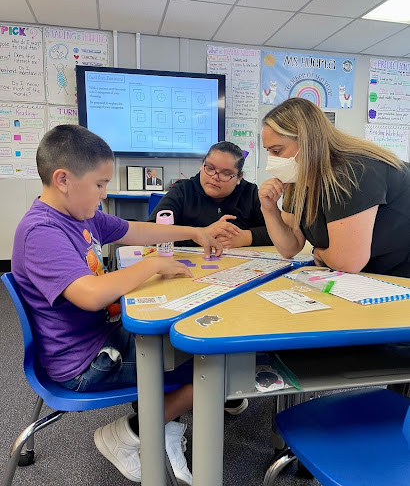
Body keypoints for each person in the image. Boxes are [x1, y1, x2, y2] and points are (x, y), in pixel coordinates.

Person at [12, 125, 223, 485]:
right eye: (99, 184)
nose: (104, 193)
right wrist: (152, 264)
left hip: (99, 338)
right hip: (84, 363)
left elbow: (135, 230)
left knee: (184, 336)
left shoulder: (81, 215)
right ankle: (129, 434)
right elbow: (91, 293)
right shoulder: (43, 232)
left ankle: (164, 424)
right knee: (214, 370)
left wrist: (193, 232)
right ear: (63, 179)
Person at [258, 97, 410, 278]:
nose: (272, 160)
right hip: (371, 276)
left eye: (276, 151)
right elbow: (290, 247)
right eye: (268, 151)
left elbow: (347, 262)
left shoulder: (352, 172)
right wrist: (269, 209)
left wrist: (320, 253)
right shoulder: (298, 179)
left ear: (308, 143)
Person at [148, 141, 274, 248]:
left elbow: (280, 232)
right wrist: (199, 234)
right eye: (210, 168)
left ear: (239, 177)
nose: (215, 177)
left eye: (225, 173)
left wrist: (246, 237)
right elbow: (151, 233)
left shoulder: (250, 193)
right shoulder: (183, 191)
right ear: (202, 165)